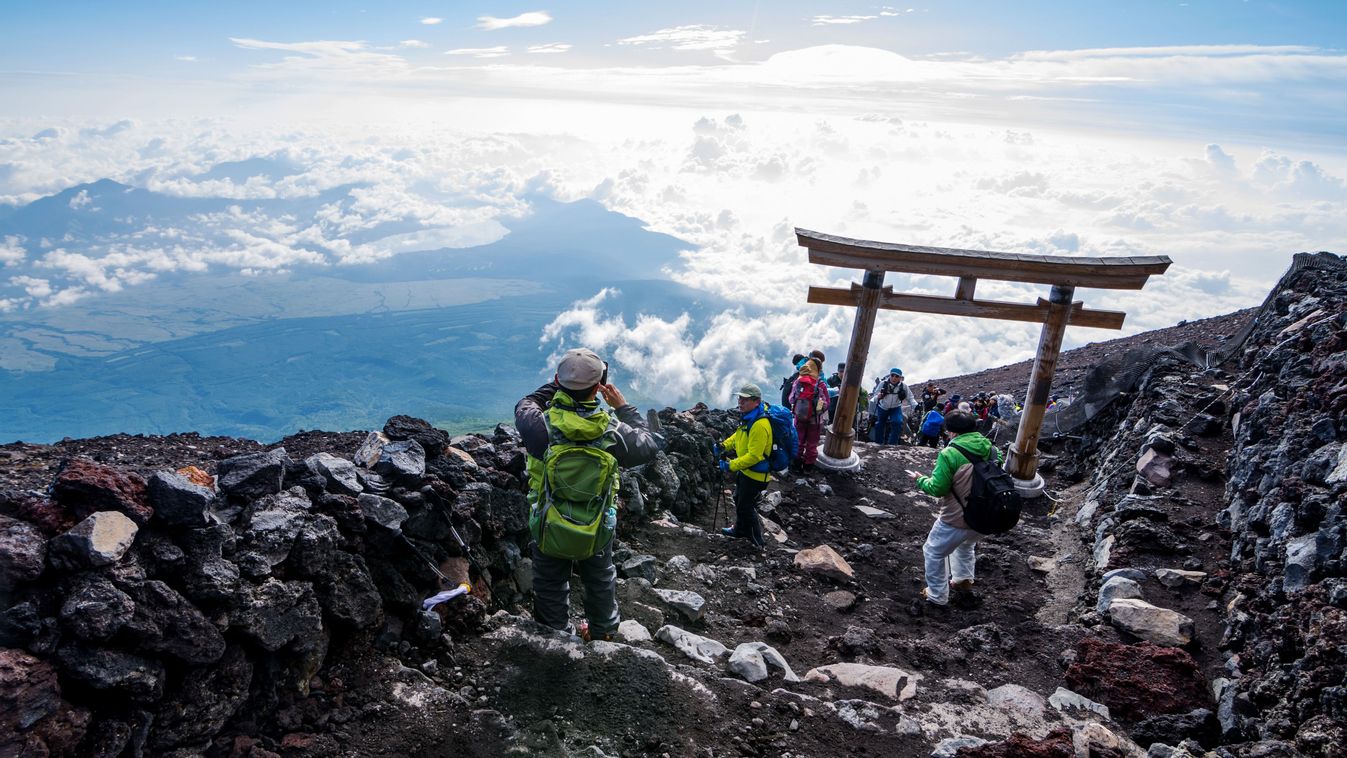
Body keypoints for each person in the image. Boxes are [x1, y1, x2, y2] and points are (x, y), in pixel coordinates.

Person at [515, 348, 660, 641]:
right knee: (600, 575)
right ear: (599, 387)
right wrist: (623, 407)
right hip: (597, 520)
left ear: (557, 380)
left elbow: (525, 403)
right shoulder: (613, 430)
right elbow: (650, 443)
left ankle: (554, 634)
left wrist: (558, 383)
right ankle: (603, 632)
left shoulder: (538, 425)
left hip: (548, 517)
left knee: (549, 578)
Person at [907, 411, 1000, 607]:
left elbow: (938, 488)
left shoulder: (950, 453)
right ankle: (963, 580)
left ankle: (937, 595)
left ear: (952, 432)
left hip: (958, 517)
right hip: (986, 516)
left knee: (933, 551)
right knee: (966, 544)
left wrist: (920, 479)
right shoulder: (991, 449)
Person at [719, 383, 773, 549]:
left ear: (756, 401)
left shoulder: (759, 424)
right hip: (746, 472)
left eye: (745, 399)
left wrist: (731, 465)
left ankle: (758, 541)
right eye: (740, 398)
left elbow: (755, 456)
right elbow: (738, 436)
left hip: (756, 475)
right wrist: (724, 445)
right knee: (738, 499)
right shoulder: (749, 418)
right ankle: (740, 530)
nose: (740, 402)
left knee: (746, 506)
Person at [790, 356, 829, 473]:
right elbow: (827, 403)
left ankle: (796, 465)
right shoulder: (820, 384)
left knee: (799, 441)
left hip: (799, 418)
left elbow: (791, 399)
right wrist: (817, 410)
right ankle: (808, 467)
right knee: (812, 444)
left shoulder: (799, 381)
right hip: (815, 421)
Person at [871, 367, 909, 445]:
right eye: (892, 375)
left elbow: (910, 397)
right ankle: (878, 443)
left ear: (900, 378)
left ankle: (892, 444)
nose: (894, 378)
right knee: (880, 424)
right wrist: (878, 397)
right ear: (890, 375)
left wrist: (915, 405)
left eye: (897, 376)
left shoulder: (904, 386)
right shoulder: (883, 383)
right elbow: (875, 396)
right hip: (883, 407)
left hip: (895, 408)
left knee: (898, 422)